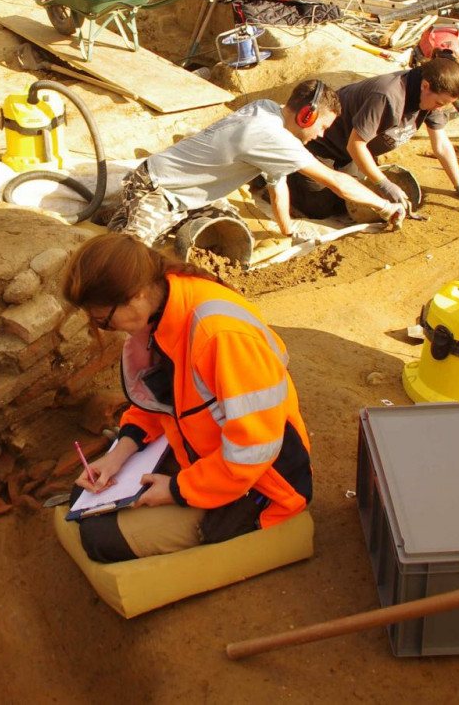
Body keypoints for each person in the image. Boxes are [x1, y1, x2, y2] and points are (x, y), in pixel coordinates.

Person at [61, 233, 312, 562]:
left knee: (100, 538)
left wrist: (177, 490)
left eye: (102, 320)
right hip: (207, 455)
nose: (106, 329)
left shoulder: (220, 335)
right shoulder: (161, 305)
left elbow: (255, 448)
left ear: (135, 295)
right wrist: (118, 454)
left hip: (262, 482)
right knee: (83, 496)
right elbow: (158, 400)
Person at [107, 78, 404, 248]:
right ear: (307, 116)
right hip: (158, 188)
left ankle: (128, 217)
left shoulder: (267, 109)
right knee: (132, 255)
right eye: (322, 126)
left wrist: (287, 230)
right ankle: (123, 222)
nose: (322, 135)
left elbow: (278, 183)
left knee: (232, 232)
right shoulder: (271, 136)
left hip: (191, 195)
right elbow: (337, 182)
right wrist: (386, 206)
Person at [287, 55, 459, 220]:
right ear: (425, 86)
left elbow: (441, 145)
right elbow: (355, 145)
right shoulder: (387, 96)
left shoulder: (432, 100)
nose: (440, 108)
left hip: (350, 154)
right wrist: (383, 183)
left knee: (353, 202)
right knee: (320, 208)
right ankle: (285, 169)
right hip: (320, 144)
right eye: (440, 103)